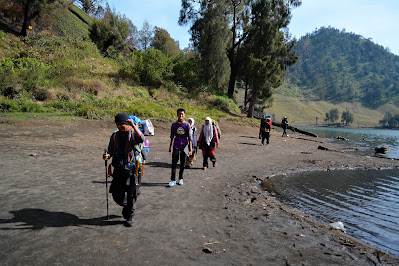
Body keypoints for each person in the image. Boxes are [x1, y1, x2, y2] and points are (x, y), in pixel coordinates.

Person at [103, 112, 145, 227]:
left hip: (132, 169)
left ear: (127, 123)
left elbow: (141, 138)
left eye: (121, 124)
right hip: (119, 168)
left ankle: (130, 215)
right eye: (117, 124)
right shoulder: (115, 135)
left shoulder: (133, 133)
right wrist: (107, 155)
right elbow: (111, 149)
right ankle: (127, 206)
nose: (119, 126)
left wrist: (133, 126)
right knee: (116, 194)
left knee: (132, 194)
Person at [169, 108, 192, 187]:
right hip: (176, 144)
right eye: (179, 114)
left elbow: (190, 138)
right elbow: (172, 137)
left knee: (183, 163)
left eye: (182, 114)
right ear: (177, 115)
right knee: (174, 162)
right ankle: (173, 180)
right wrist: (170, 147)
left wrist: (191, 149)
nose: (181, 115)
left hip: (185, 145)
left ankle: (180, 178)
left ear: (184, 115)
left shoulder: (187, 125)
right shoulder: (174, 125)